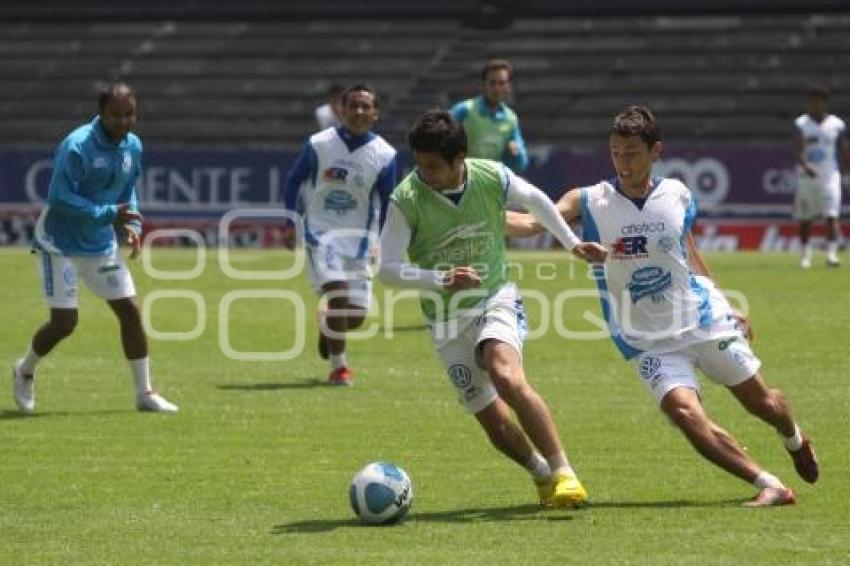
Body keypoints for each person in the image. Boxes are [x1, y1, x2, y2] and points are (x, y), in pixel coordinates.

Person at [506, 106, 819, 507]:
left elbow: (688, 253)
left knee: (765, 405)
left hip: (703, 321)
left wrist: (724, 303)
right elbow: (533, 223)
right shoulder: (591, 200)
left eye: (632, 152)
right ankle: (769, 484)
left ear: (656, 151)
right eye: (616, 152)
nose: (623, 161)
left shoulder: (678, 194)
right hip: (648, 339)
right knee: (686, 416)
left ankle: (792, 437)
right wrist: (484, 214)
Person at [378, 109, 607, 507]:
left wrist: (571, 243)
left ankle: (565, 473)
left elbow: (535, 200)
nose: (424, 173)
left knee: (506, 374)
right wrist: (442, 278)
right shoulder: (406, 199)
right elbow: (387, 270)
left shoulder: (490, 176)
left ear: (459, 157)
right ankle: (540, 475)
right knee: (494, 423)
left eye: (433, 165)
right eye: (420, 164)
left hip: (494, 296)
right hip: (445, 319)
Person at [12, 83, 178, 414]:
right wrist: (108, 214)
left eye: (129, 114)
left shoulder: (133, 146)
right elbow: (59, 197)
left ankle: (144, 392)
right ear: (101, 113)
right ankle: (25, 369)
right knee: (64, 323)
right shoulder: (77, 146)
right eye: (116, 115)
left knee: (129, 312)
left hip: (100, 245)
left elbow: (127, 189)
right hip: (59, 244)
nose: (123, 121)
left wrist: (130, 223)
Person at [283, 83, 398, 385]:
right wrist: (290, 222)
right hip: (321, 234)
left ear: (375, 113)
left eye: (366, 106)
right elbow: (293, 180)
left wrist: (387, 241)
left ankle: (328, 326)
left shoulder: (385, 155)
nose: (359, 111)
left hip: (359, 242)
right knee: (338, 295)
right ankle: (339, 367)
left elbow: (389, 203)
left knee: (355, 316)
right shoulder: (319, 144)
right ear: (342, 110)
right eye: (354, 105)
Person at [793, 85, 848, 268]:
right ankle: (805, 256)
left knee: (831, 215)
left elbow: (842, 149)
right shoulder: (801, 124)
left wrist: (847, 166)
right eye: (811, 101)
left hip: (829, 175)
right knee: (806, 218)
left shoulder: (836, 124)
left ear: (825, 103)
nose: (814, 104)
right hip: (806, 177)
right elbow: (797, 150)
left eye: (818, 101)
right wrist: (805, 165)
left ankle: (831, 255)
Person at [450, 59, 529, 173]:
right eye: (492, 83)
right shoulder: (465, 111)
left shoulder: (510, 119)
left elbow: (521, 163)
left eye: (502, 83)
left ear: (508, 87)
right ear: (483, 84)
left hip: (490, 182)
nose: (497, 88)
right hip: (462, 180)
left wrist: (516, 154)